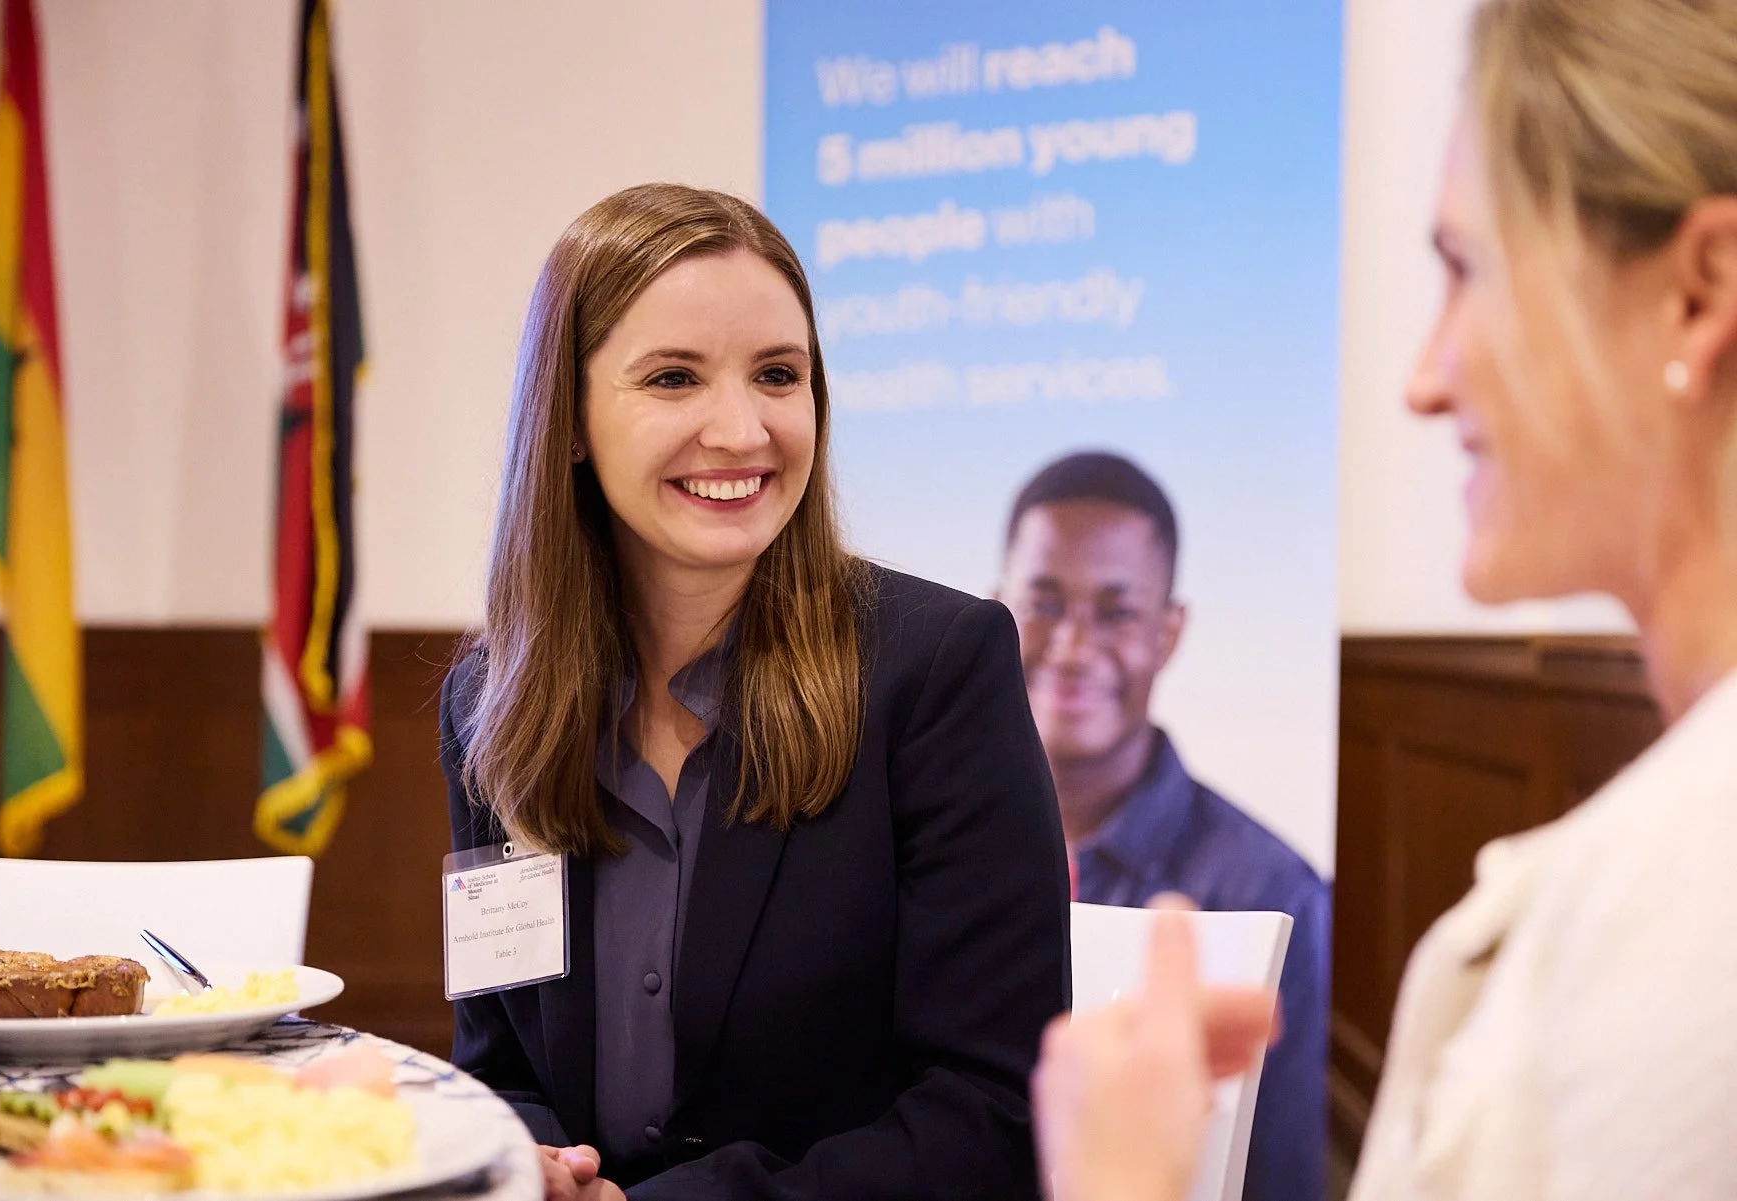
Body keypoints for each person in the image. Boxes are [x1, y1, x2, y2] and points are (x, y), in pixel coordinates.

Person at [1033, 0, 1737, 1197]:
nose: (1424, 378)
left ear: (1698, 291)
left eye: (1469, 270)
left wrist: (1122, 1180)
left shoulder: (1668, 935)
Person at [438, 183, 1071, 1200]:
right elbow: (501, 1069)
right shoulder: (488, 704)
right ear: (569, 422)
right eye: (675, 378)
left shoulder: (939, 668)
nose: (741, 429)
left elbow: (995, 1111)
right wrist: (533, 1164)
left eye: (778, 374)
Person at [1000, 451, 1328, 1201]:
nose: (1074, 648)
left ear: (1169, 632)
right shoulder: (925, 844)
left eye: (1116, 612)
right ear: (995, 612)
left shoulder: (1272, 891)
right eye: (1043, 602)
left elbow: (1278, 1181)